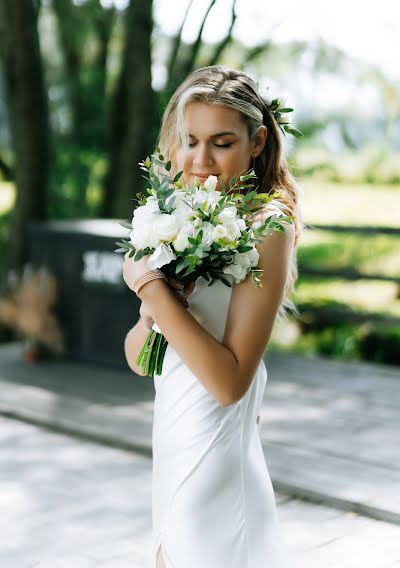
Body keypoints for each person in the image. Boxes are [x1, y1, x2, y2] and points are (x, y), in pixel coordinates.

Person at [123, 65, 303, 568]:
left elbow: (228, 384)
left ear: (257, 142)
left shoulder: (268, 224)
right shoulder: (177, 219)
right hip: (172, 447)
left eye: (221, 143)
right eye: (190, 140)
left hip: (215, 462)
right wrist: (151, 309)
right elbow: (142, 360)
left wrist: (151, 287)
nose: (201, 159)